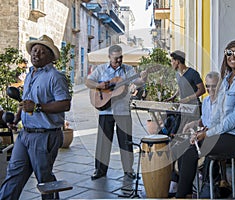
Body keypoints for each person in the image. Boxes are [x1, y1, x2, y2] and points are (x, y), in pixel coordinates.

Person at [175, 40, 235, 198]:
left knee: (192, 150)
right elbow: (219, 113)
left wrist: (208, 134)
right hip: (228, 133)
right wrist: (206, 129)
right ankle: (186, 193)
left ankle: (183, 195)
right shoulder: (227, 80)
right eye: (229, 52)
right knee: (188, 144)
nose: (232, 56)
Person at [0, 35, 71, 199]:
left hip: (45, 136)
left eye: (41, 52)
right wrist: (17, 119)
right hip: (25, 134)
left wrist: (38, 107)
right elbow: (26, 101)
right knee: (14, 174)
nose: (36, 54)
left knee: (44, 179)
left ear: (51, 57)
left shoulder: (55, 76)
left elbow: (65, 104)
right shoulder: (31, 74)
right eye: (34, 50)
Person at [85, 44, 148, 180]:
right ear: (109, 57)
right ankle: (99, 170)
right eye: (115, 59)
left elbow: (138, 82)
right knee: (103, 142)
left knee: (126, 141)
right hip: (105, 111)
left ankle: (128, 170)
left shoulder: (128, 70)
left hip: (123, 111)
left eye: (120, 58)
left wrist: (143, 78)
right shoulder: (100, 69)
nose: (119, 61)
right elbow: (88, 82)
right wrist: (98, 85)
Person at [166, 50, 205, 136]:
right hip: (183, 106)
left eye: (172, 61)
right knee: (174, 125)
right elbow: (181, 87)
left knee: (184, 130)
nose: (171, 63)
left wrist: (187, 99)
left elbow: (202, 90)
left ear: (177, 61)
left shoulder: (193, 73)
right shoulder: (178, 74)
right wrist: (173, 96)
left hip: (193, 107)